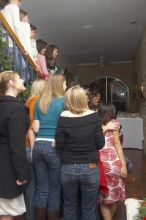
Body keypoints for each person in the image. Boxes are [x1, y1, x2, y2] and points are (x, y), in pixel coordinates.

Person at [55, 85, 105, 220]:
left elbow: (59, 144)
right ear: (84, 99)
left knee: (69, 205)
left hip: (68, 168)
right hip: (90, 167)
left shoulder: (63, 117)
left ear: (68, 100)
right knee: (89, 207)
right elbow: (100, 144)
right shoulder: (94, 117)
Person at [32, 75, 66, 220]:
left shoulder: (39, 102)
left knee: (41, 189)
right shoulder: (64, 102)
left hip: (39, 145)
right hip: (54, 146)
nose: (66, 86)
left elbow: (35, 128)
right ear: (59, 85)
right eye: (65, 83)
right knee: (55, 190)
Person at [0, 71, 31, 220]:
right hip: (7, 169)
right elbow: (16, 146)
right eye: (19, 78)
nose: (22, 80)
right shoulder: (15, 109)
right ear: (11, 83)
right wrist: (22, 173)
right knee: (7, 214)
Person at [98, 103, 127, 220]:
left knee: (103, 199)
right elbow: (117, 144)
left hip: (100, 164)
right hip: (114, 163)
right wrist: (123, 165)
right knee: (115, 195)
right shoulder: (115, 124)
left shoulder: (95, 123)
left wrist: (103, 128)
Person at [25, 79, 46, 220]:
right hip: (30, 146)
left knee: (33, 185)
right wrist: (33, 149)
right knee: (34, 186)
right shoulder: (35, 101)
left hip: (27, 145)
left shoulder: (29, 100)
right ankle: (32, 217)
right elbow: (33, 127)